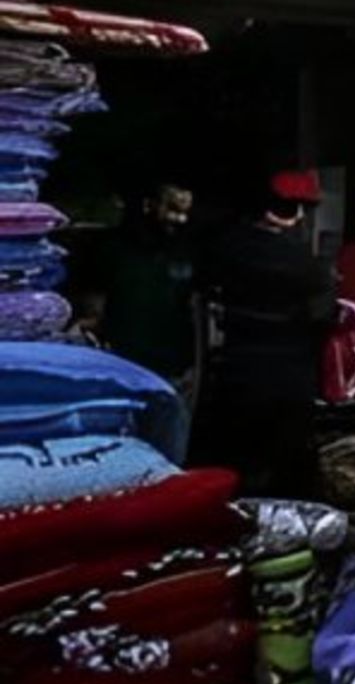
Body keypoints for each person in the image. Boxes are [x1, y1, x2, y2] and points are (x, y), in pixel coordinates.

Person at [190, 169, 337, 498]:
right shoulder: (303, 262)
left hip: (236, 367)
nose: (299, 218)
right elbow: (323, 312)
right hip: (289, 371)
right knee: (288, 463)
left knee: (236, 463)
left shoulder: (223, 248)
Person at [101, 180, 199, 404]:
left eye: (185, 212)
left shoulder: (189, 251)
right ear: (149, 205)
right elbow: (95, 301)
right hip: (123, 364)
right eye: (173, 210)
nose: (180, 219)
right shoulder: (118, 250)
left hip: (174, 368)